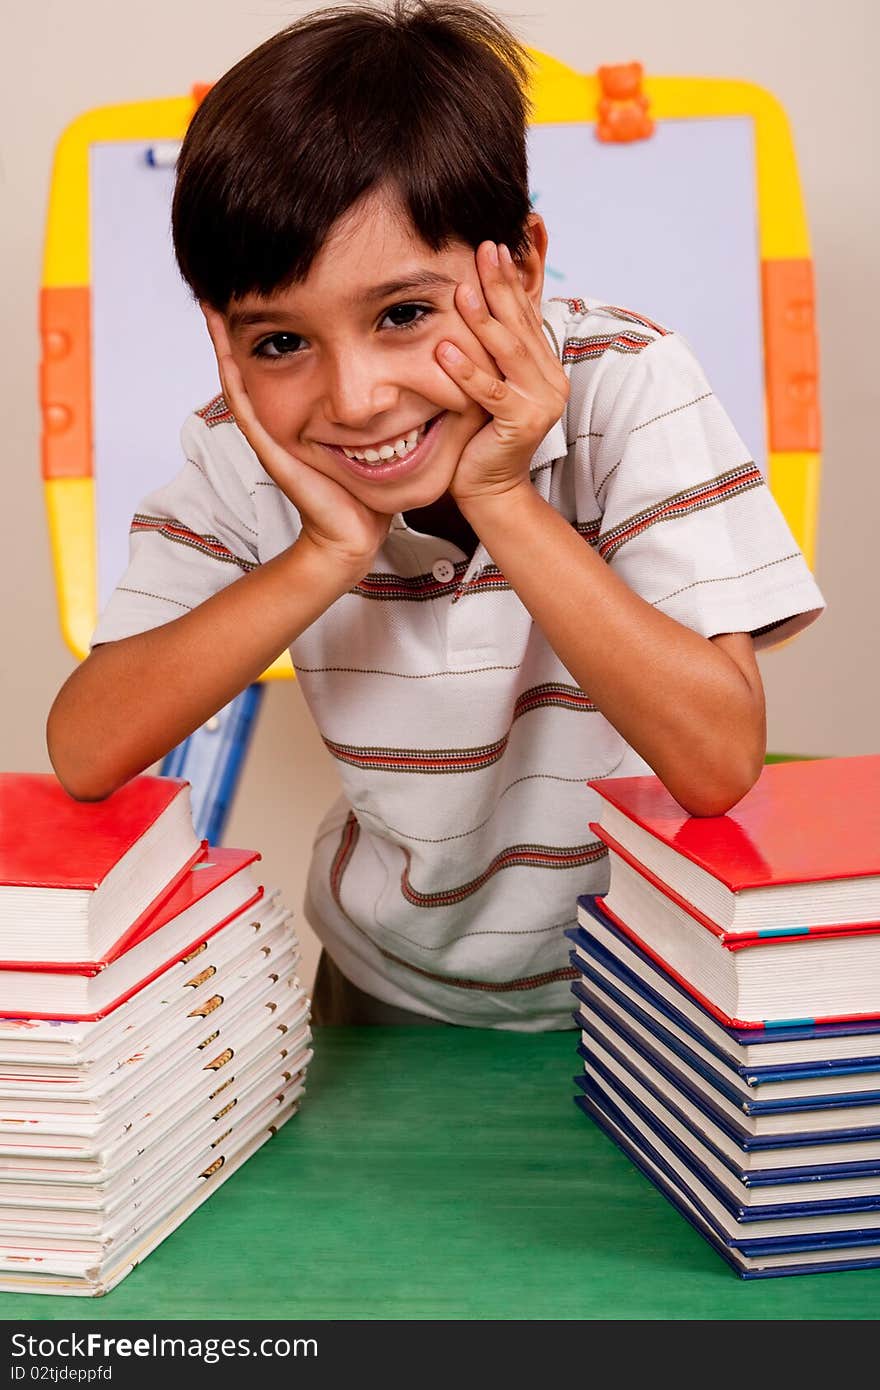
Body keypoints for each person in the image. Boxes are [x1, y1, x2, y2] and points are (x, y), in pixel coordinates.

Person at [46, 0, 825, 1030]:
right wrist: (327, 549)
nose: (357, 396)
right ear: (226, 342)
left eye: (403, 314)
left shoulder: (627, 385)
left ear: (525, 267)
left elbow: (718, 761)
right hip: (385, 987)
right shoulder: (244, 455)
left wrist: (499, 494)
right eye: (279, 342)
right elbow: (88, 748)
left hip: (654, 988)